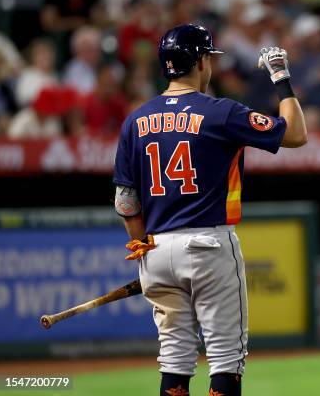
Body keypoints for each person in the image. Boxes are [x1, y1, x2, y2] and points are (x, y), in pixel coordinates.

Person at [112, 24, 306, 396]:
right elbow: (296, 134)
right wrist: (281, 77)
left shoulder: (134, 121)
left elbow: (126, 200)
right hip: (208, 244)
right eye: (209, 58)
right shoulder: (220, 112)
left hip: (156, 250)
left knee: (174, 360)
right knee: (225, 359)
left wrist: (141, 245)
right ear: (201, 61)